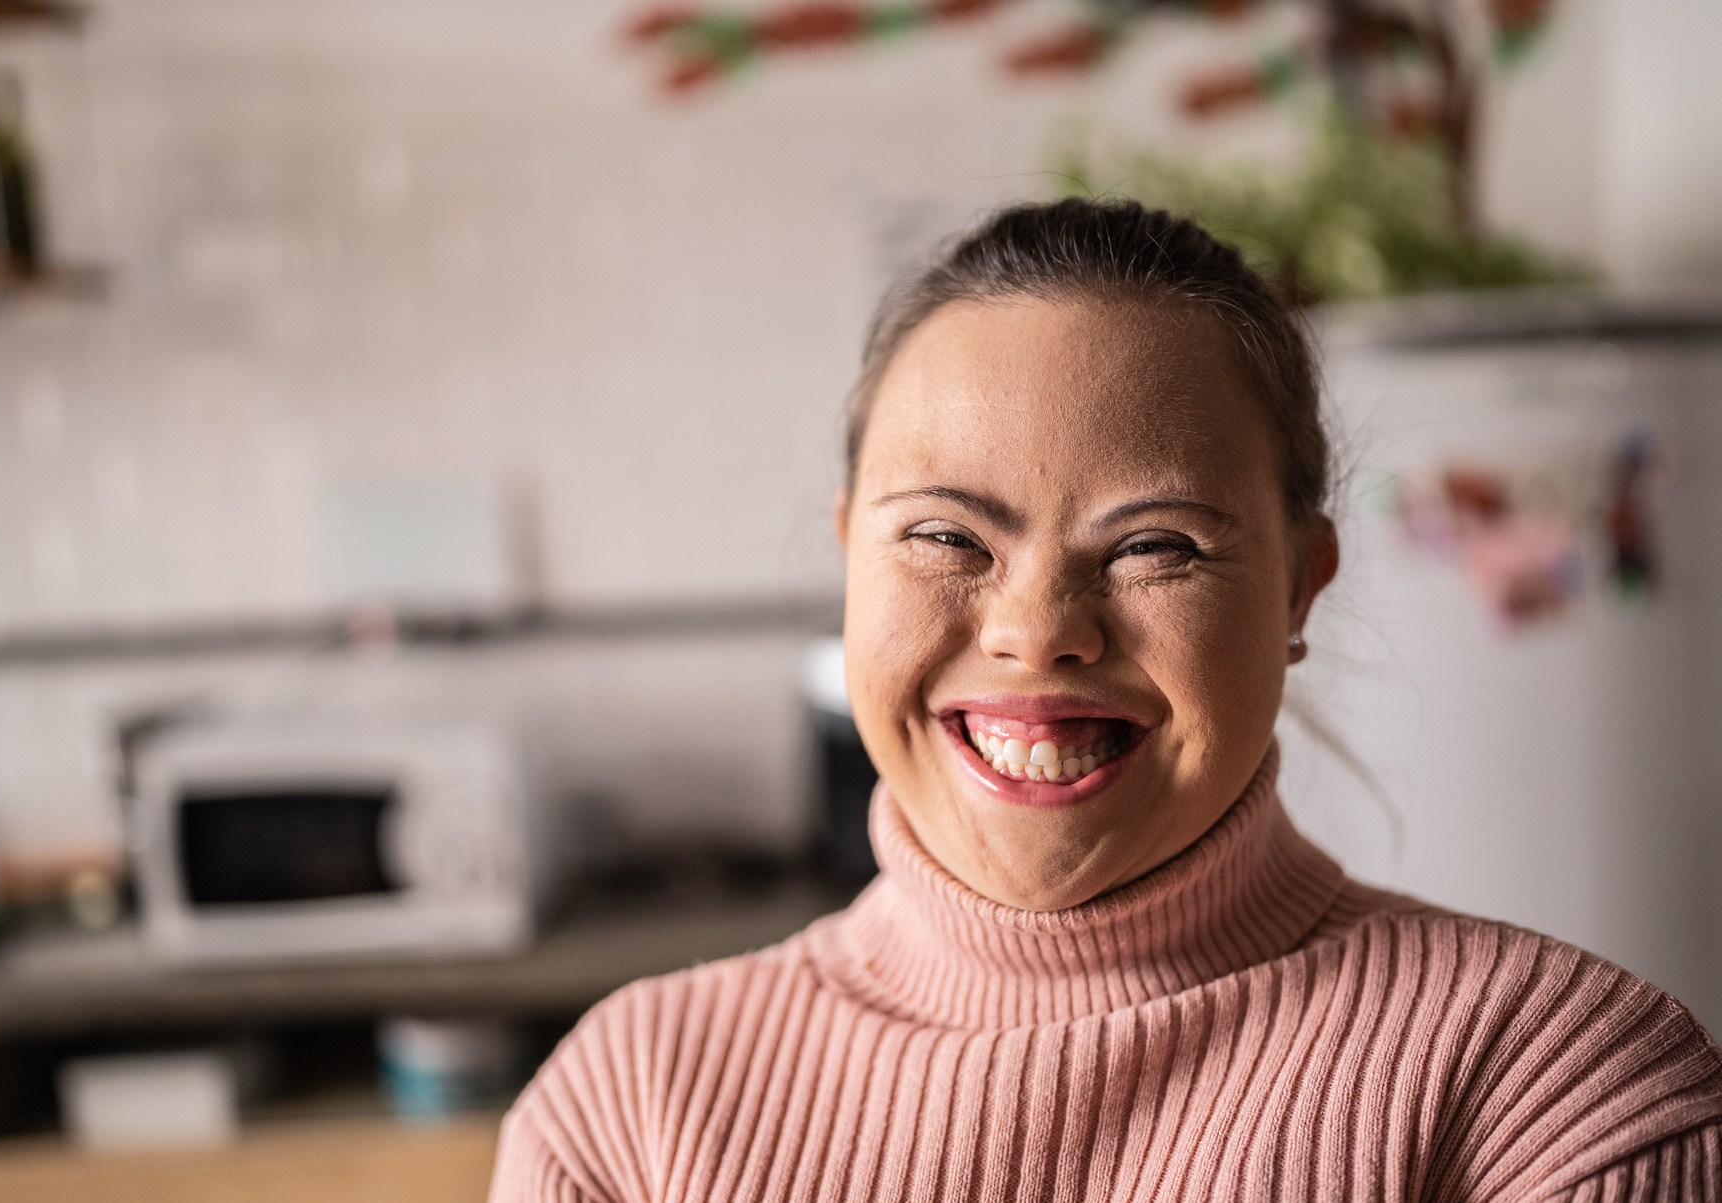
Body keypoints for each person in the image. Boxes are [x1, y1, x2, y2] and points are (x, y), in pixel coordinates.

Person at [489, 200, 1722, 1201]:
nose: (1038, 634)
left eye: (1156, 547)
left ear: (1300, 587)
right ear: (846, 558)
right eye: (945, 538)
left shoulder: (1559, 1093)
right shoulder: (630, 1108)